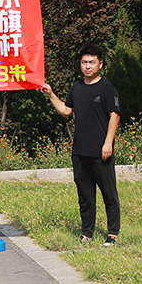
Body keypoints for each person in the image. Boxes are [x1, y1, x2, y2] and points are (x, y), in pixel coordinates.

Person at [41, 42, 120, 246]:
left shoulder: (107, 88)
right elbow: (67, 111)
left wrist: (108, 143)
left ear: (100, 64)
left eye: (92, 62)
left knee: (109, 194)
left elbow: (115, 115)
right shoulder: (76, 87)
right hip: (80, 152)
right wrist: (51, 95)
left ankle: (112, 233)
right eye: (84, 62)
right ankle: (87, 233)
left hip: (101, 151)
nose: (87, 66)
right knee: (85, 196)